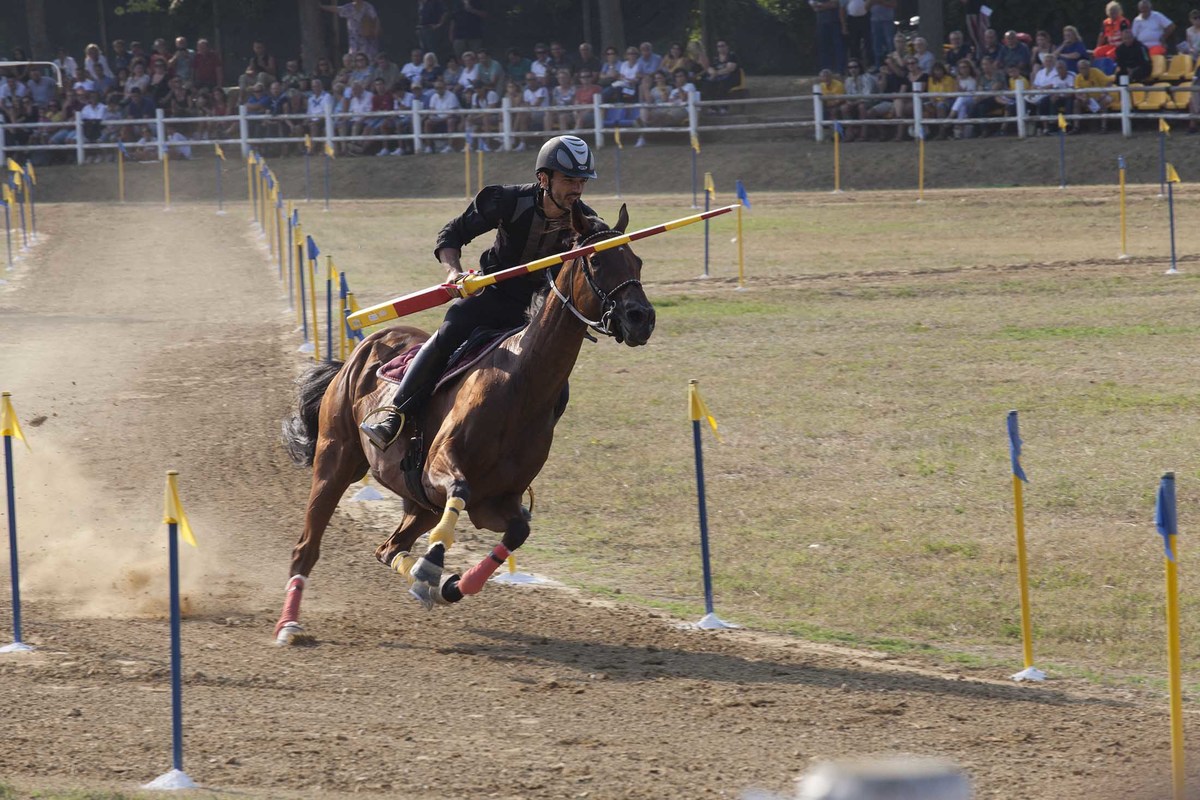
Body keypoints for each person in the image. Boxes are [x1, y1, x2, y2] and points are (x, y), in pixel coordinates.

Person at [359, 135, 599, 450]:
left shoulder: (585, 222)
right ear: (543, 178)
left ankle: (519, 457)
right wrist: (454, 272)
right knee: (449, 334)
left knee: (558, 390)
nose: (577, 189)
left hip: (537, 316)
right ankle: (394, 414)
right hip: (491, 297)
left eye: (582, 181)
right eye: (569, 180)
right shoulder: (506, 201)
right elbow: (451, 235)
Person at [1073, 58, 1114, 132]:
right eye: (1081, 68)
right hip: (1088, 100)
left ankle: (1103, 127)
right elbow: (1077, 92)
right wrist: (1083, 98)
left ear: (1089, 67)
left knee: (1104, 101)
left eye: (1085, 68)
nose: (1083, 70)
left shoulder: (1096, 72)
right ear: (1078, 69)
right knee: (1076, 102)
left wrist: (1103, 94)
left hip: (1101, 96)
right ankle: (1076, 127)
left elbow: (1108, 83)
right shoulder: (1078, 77)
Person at [811, 0, 846, 73]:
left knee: (838, 46)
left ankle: (840, 70)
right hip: (821, 22)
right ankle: (825, 70)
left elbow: (835, 4)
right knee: (823, 47)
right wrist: (826, 5)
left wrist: (820, 5)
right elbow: (814, 6)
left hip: (835, 22)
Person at [869, 0, 897, 68]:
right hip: (875, 21)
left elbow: (894, 4)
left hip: (887, 20)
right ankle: (878, 65)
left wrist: (880, 2)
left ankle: (893, 64)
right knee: (876, 44)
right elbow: (866, 7)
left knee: (890, 42)